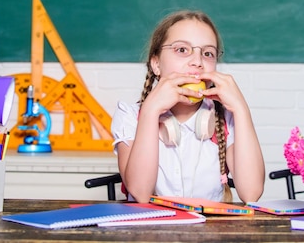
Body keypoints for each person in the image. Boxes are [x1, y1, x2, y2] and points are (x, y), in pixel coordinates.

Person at [111, 10, 265, 203]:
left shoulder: (225, 118)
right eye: (182, 50)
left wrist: (241, 109)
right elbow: (141, 193)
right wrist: (151, 111)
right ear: (156, 64)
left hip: (210, 231)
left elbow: (252, 193)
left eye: (208, 53)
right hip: (149, 230)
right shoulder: (129, 115)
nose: (197, 62)